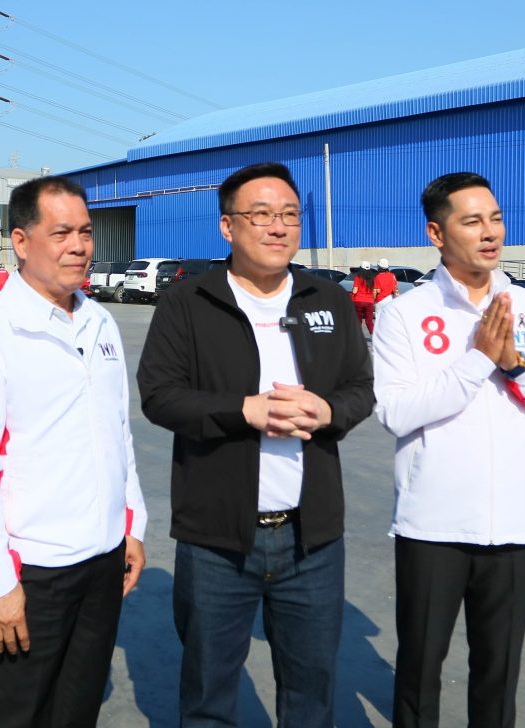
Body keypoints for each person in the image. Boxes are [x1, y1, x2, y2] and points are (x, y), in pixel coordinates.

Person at [137, 162, 374, 727]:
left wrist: (328, 411)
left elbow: (361, 388)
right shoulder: (188, 302)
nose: (278, 226)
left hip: (311, 540)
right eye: (262, 214)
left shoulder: (327, 299)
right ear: (228, 226)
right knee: (208, 695)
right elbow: (160, 396)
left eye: (290, 214)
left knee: (311, 695)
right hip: (216, 540)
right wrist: (244, 410)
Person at [373, 172, 525, 728]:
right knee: (419, 671)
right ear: (436, 233)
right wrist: (477, 359)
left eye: (495, 218)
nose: (490, 232)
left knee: (498, 677)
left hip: (517, 526)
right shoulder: (404, 313)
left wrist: (516, 365)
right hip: (433, 527)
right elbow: (395, 411)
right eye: (472, 221)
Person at [0, 175, 147, 728]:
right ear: (20, 241)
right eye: (61, 233)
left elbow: (117, 432)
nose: (78, 246)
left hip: (102, 563)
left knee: (77, 710)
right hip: (31, 573)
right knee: (18, 714)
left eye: (85, 232)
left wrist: (131, 523)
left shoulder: (100, 321)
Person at [351, 261, 377, 336]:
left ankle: (357, 337)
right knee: (369, 321)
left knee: (358, 321)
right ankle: (374, 336)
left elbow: (355, 290)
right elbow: (374, 291)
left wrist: (352, 293)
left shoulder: (358, 278)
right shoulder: (373, 279)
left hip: (358, 301)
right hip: (369, 302)